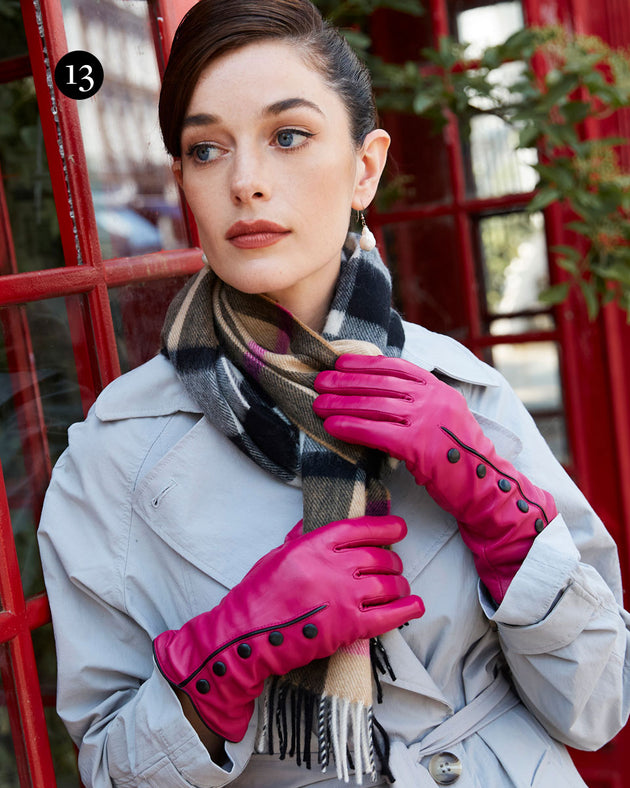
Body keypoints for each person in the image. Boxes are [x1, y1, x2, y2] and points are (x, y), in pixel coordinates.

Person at [37, 1, 630, 786]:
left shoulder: (459, 393)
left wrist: (503, 513)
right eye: (207, 149)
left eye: (288, 136)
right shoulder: (116, 455)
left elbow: (598, 708)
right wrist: (222, 661)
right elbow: (110, 769)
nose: (245, 182)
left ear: (365, 167)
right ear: (181, 180)